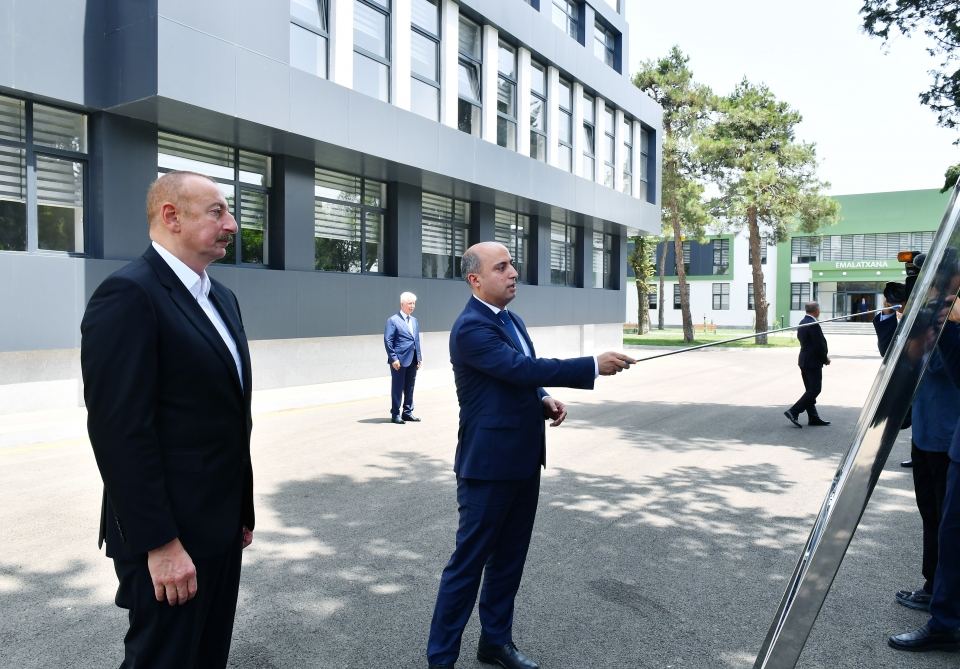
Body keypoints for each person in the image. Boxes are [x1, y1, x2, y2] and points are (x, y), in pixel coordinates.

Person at [426, 241, 635, 669]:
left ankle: (495, 643)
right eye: (501, 267)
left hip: (523, 461)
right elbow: (519, 368)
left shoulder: (512, 319)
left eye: (512, 265)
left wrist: (542, 398)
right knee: (467, 566)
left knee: (509, 561)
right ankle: (441, 659)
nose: (513, 273)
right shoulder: (470, 328)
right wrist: (591, 366)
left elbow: (519, 375)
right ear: (475, 280)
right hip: (488, 467)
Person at [81, 171, 255, 668]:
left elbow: (227, 417)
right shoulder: (129, 295)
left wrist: (240, 511)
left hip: (219, 527)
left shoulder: (221, 298)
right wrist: (160, 543)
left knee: (207, 657)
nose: (232, 225)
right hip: (169, 537)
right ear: (171, 216)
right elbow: (120, 433)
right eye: (218, 212)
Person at [889, 294, 960, 652]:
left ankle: (940, 600)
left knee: (946, 526)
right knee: (935, 521)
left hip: (943, 439)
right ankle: (934, 588)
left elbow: (935, 367)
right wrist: (899, 323)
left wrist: (945, 327)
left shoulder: (949, 328)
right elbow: (900, 362)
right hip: (927, 435)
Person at [784, 301, 831, 428]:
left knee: (810, 390)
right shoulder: (812, 324)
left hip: (804, 361)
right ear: (816, 310)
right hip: (812, 362)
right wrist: (825, 359)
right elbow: (818, 345)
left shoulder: (802, 322)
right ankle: (793, 411)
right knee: (815, 389)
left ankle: (813, 417)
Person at [384, 291, 423, 424]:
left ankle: (407, 412)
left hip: (413, 359)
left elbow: (416, 340)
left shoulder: (414, 321)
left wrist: (419, 358)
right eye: (409, 303)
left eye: (414, 303)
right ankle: (395, 414)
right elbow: (388, 340)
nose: (412, 306)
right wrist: (393, 358)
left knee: (410, 387)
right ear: (402, 304)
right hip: (399, 361)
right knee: (397, 387)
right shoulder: (393, 320)